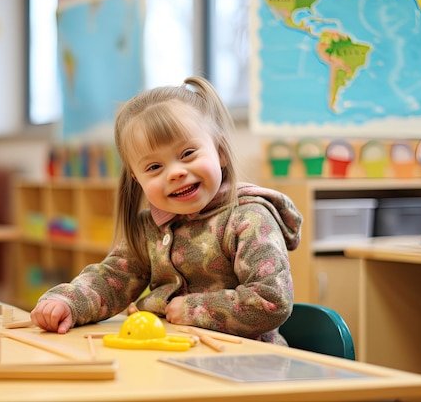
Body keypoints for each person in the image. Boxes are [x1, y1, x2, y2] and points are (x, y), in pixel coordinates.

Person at [30, 76, 302, 344]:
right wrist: (66, 302)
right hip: (171, 356)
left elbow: (270, 299)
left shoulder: (250, 218)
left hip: (245, 365)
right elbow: (111, 280)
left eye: (187, 154)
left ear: (219, 152)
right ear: (137, 178)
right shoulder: (149, 228)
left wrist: (190, 309)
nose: (175, 173)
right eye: (154, 167)